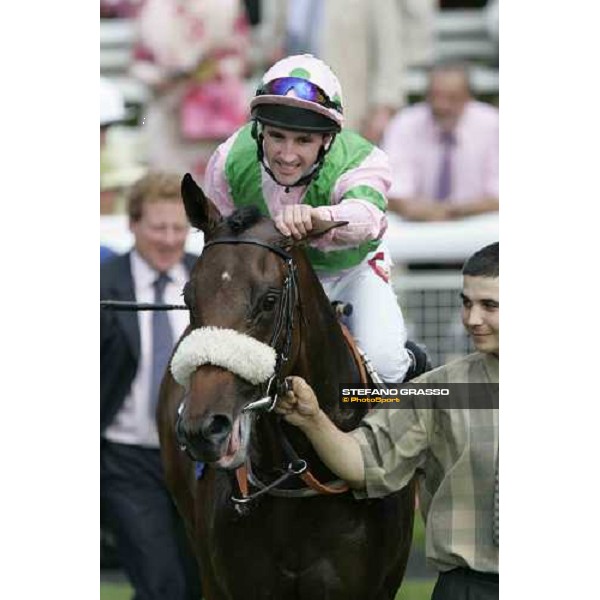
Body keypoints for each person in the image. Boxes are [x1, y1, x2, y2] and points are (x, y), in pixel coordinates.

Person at [275, 241, 500, 600]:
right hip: (468, 588)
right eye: (467, 302)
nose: (473, 319)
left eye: (490, 305)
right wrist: (313, 419)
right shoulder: (439, 391)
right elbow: (364, 463)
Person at [204, 53, 414, 383]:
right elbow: (223, 241)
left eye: (303, 140)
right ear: (260, 132)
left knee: (385, 363)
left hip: (350, 273)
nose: (287, 155)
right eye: (276, 136)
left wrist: (317, 218)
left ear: (327, 140)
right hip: (270, 281)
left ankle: (407, 386)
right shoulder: (228, 160)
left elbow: (367, 216)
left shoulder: (363, 159)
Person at [101, 171, 202, 600]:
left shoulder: (209, 278)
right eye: (157, 227)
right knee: (162, 586)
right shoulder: (102, 285)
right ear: (133, 225)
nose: (168, 239)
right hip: (127, 459)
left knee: (203, 584)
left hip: (200, 461)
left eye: (178, 228)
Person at [258, 0, 436, 144]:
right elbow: (272, 38)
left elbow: (388, 48)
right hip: (291, 108)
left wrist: (384, 106)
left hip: (349, 112)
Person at [129, 0, 250, 182]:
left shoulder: (227, 5)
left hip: (215, 117)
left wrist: (209, 72)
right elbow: (139, 62)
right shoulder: (152, 8)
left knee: (217, 185)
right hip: (168, 114)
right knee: (169, 185)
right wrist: (162, 77)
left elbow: (240, 58)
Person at [383, 62, 499, 221]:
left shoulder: (492, 124)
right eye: (435, 96)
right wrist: (417, 209)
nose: (441, 105)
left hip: (479, 225)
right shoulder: (405, 123)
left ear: (468, 98)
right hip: (415, 226)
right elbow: (393, 189)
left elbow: (498, 192)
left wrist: (454, 211)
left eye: (452, 97)